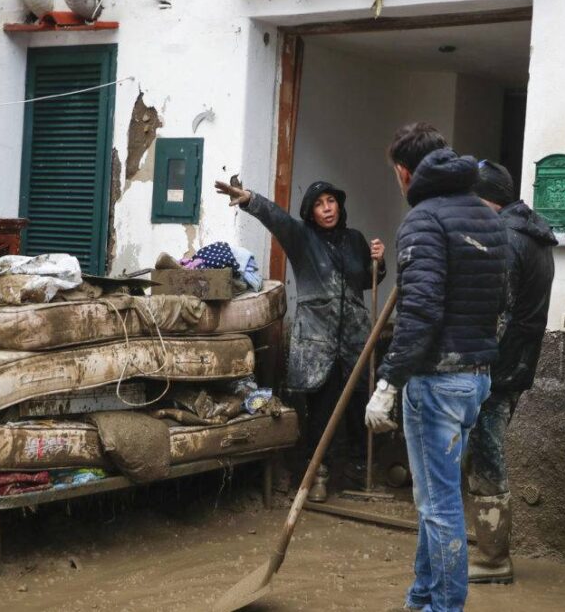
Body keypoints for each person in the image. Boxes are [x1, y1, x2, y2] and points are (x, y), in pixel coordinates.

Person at [365, 123, 507, 612]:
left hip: (437, 382)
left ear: (405, 172)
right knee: (436, 500)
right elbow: (497, 298)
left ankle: (444, 607)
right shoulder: (488, 216)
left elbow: (421, 311)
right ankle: (422, 598)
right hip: (475, 378)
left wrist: (389, 380)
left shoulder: (424, 219)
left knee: (439, 506)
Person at [215, 178, 385, 502]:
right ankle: (316, 475)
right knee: (321, 408)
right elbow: (276, 218)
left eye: (331, 201)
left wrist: (379, 261)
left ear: (339, 205)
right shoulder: (301, 238)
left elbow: (367, 279)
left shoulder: (355, 240)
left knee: (359, 404)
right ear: (310, 212)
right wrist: (250, 198)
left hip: (354, 337)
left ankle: (358, 471)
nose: (327, 208)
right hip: (317, 340)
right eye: (319, 204)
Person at [462, 160, 557, 584]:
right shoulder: (535, 237)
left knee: (487, 458)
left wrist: (473, 363)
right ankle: (485, 543)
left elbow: (498, 313)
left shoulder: (505, 238)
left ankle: (493, 558)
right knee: (485, 454)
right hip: (518, 365)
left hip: (495, 370)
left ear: (486, 200)